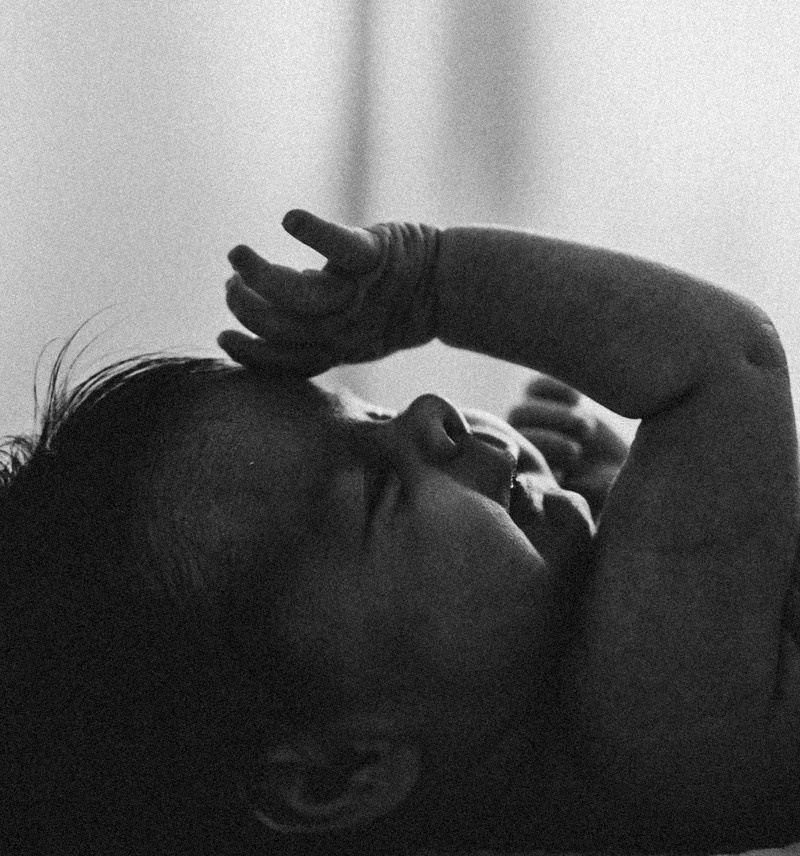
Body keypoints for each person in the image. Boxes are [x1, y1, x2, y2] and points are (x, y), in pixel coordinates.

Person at [1, 208, 799, 855]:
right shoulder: (645, 719)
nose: (430, 415)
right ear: (340, 773)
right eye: (379, 494)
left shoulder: (599, 772)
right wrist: (432, 284)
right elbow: (725, 363)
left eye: (374, 411)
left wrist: (629, 498)